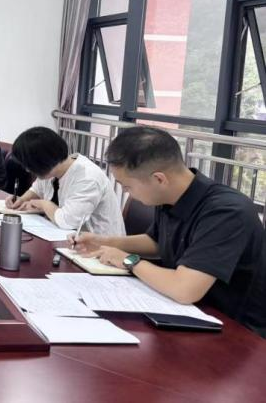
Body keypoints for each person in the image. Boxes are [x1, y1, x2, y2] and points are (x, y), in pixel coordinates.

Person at [72, 126, 265, 337]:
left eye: (127, 187)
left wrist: (129, 260)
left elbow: (185, 289)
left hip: (237, 331)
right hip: (184, 311)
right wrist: (103, 242)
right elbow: (157, 243)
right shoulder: (169, 195)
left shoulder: (227, 212)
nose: (128, 194)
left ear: (159, 179)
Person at [5, 127, 125, 236]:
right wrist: (22, 199)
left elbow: (68, 221)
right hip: (67, 237)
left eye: (29, 165)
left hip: (101, 245)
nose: (27, 170)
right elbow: (37, 189)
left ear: (42, 161)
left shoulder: (87, 178)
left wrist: (43, 204)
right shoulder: (53, 167)